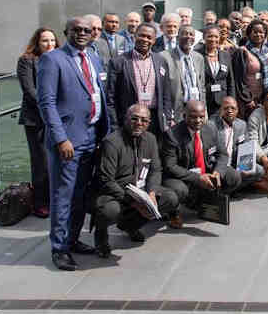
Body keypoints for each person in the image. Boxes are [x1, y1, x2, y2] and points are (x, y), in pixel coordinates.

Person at [37, 16, 110, 271]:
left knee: (80, 195)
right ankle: (59, 249)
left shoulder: (93, 57)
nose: (82, 33)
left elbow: (98, 93)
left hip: (91, 137)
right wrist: (61, 138)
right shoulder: (52, 59)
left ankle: (73, 238)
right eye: (76, 30)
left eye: (86, 30)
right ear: (66, 32)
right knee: (63, 195)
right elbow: (46, 103)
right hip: (67, 142)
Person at [93, 104, 180, 258]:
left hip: (142, 189)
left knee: (170, 198)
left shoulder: (151, 139)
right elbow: (106, 180)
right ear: (126, 119)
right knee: (109, 210)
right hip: (116, 192)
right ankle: (101, 237)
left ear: (149, 123)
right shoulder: (112, 142)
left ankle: (129, 226)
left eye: (144, 120)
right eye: (135, 119)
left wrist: (152, 193)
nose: (139, 123)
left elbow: (155, 170)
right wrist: (133, 202)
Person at [161, 100, 242, 227]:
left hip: (206, 170)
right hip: (182, 176)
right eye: (193, 117)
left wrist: (217, 172)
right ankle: (173, 213)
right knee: (179, 190)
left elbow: (223, 154)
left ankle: (207, 202)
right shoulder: (171, 135)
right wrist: (198, 178)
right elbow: (170, 166)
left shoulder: (210, 128)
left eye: (201, 117)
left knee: (234, 177)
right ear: (184, 116)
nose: (198, 120)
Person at [17, 27, 60, 218]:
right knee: (40, 161)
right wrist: (49, 108)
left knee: (56, 160)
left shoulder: (59, 59)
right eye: (45, 41)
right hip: (36, 120)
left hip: (57, 118)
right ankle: (40, 202)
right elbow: (29, 90)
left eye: (52, 40)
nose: (49, 44)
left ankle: (53, 199)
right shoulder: (26, 60)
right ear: (37, 42)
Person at [106, 23, 173, 137]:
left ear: (154, 40)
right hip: (130, 120)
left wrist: (166, 119)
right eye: (141, 36)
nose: (145, 40)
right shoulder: (118, 62)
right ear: (134, 37)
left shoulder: (161, 61)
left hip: (154, 120)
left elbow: (166, 94)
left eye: (149, 37)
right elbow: (110, 98)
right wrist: (114, 125)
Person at [231, 20, 268, 118]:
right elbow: (239, 79)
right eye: (255, 32)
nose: (258, 34)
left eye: (261, 32)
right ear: (249, 34)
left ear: (265, 35)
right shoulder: (242, 52)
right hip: (248, 102)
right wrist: (248, 99)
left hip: (266, 99)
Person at [161, 26, 206, 123]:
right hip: (177, 110)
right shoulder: (165, 57)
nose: (188, 37)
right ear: (177, 37)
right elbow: (164, 89)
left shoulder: (199, 58)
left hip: (196, 110)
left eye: (191, 34)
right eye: (185, 33)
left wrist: (204, 109)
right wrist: (169, 115)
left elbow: (202, 86)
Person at [199, 25, 235, 118]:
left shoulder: (225, 55)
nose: (213, 39)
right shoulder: (197, 55)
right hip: (205, 100)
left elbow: (230, 81)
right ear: (204, 37)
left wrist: (232, 100)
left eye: (216, 36)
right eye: (210, 36)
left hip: (222, 101)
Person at [211, 97, 248, 177]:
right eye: (226, 108)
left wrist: (243, 166)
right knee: (235, 176)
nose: (230, 111)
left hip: (235, 163)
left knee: (259, 170)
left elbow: (246, 147)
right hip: (219, 165)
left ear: (237, 110)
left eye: (233, 108)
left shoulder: (242, 125)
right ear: (221, 110)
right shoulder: (212, 126)